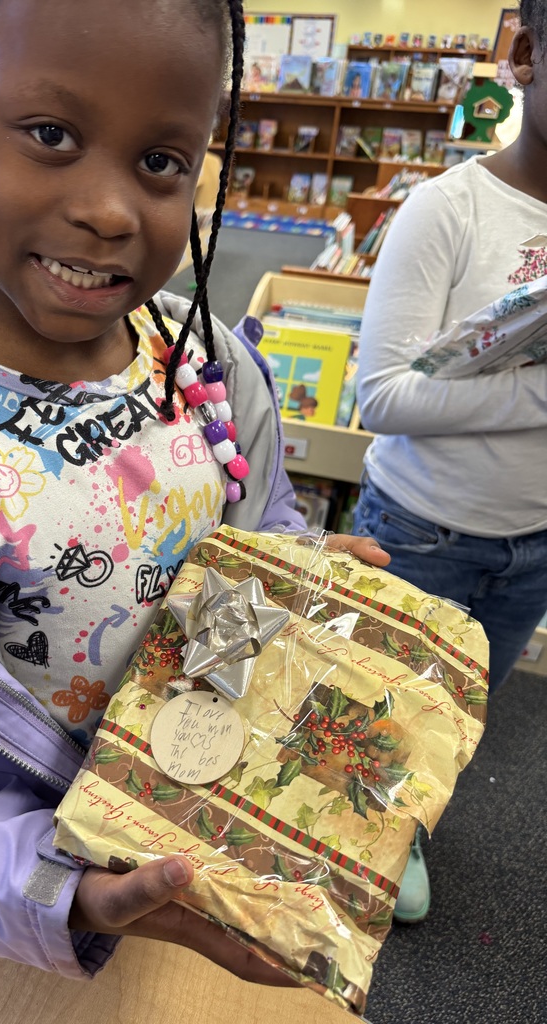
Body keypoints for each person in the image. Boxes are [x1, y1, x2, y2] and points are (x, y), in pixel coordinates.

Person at [0, 0, 388, 985]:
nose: (111, 210)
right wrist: (57, 886)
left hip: (197, 858)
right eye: (52, 135)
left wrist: (302, 576)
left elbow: (253, 531)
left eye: (160, 162)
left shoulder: (211, 367)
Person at [352, 0, 547, 926]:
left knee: (459, 717)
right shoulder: (449, 207)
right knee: (380, 710)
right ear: (525, 53)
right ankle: (371, 832)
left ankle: (408, 819)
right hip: (422, 532)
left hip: (535, 542)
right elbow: (382, 398)